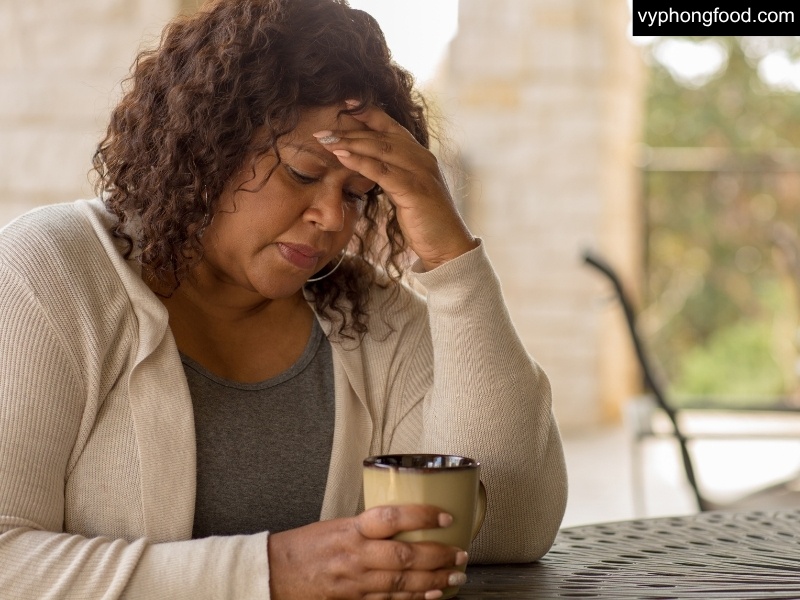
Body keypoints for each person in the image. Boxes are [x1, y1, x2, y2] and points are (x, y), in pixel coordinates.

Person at [0, 0, 567, 598]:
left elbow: (508, 528)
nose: (332, 218)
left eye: (357, 193)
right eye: (302, 173)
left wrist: (452, 258)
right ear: (210, 147)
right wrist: (275, 572)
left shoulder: (370, 317)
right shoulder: (51, 277)